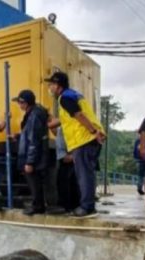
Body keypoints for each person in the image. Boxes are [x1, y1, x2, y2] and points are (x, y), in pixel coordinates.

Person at [45, 72, 106, 218]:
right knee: (88, 174)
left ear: (58, 86)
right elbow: (68, 118)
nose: (50, 88)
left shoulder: (64, 98)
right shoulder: (74, 95)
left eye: (51, 85)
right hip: (88, 139)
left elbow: (78, 115)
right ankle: (88, 205)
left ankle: (87, 207)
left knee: (83, 175)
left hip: (84, 139)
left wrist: (93, 131)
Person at [13, 89, 50, 215]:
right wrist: (19, 136)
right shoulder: (34, 113)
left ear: (26, 103)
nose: (19, 105)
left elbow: (33, 139)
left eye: (20, 102)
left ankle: (37, 206)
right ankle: (38, 205)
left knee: (34, 181)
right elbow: (30, 134)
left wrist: (30, 161)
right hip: (38, 154)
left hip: (35, 156)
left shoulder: (33, 115)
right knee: (36, 181)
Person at [55, 127, 81, 213]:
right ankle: (70, 206)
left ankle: (68, 206)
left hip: (70, 157)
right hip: (71, 158)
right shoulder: (64, 128)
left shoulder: (65, 128)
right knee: (69, 181)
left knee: (68, 181)